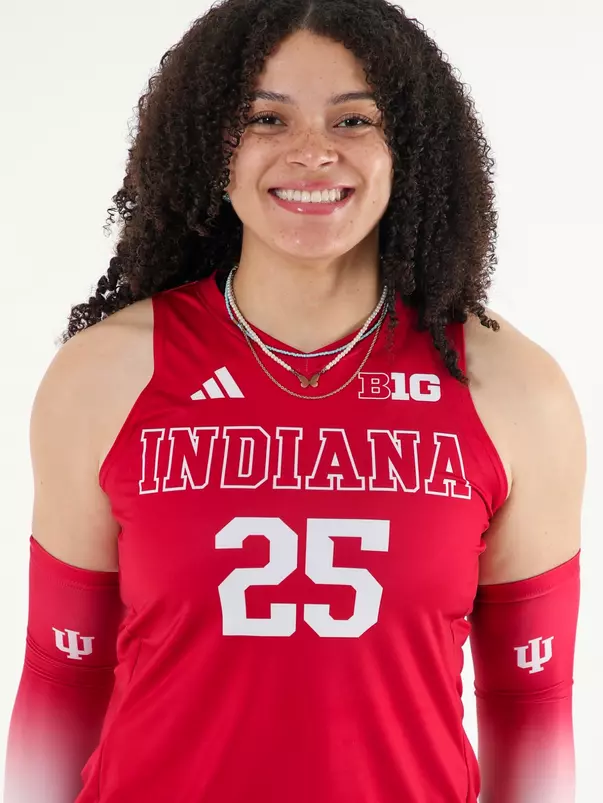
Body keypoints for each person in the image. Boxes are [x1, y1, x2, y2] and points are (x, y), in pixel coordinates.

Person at [3, 1, 585, 801]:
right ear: (214, 142)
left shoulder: (511, 390)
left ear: (406, 147)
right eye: (264, 118)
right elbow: (62, 678)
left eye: (353, 120)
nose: (311, 152)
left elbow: (529, 702)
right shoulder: (105, 377)